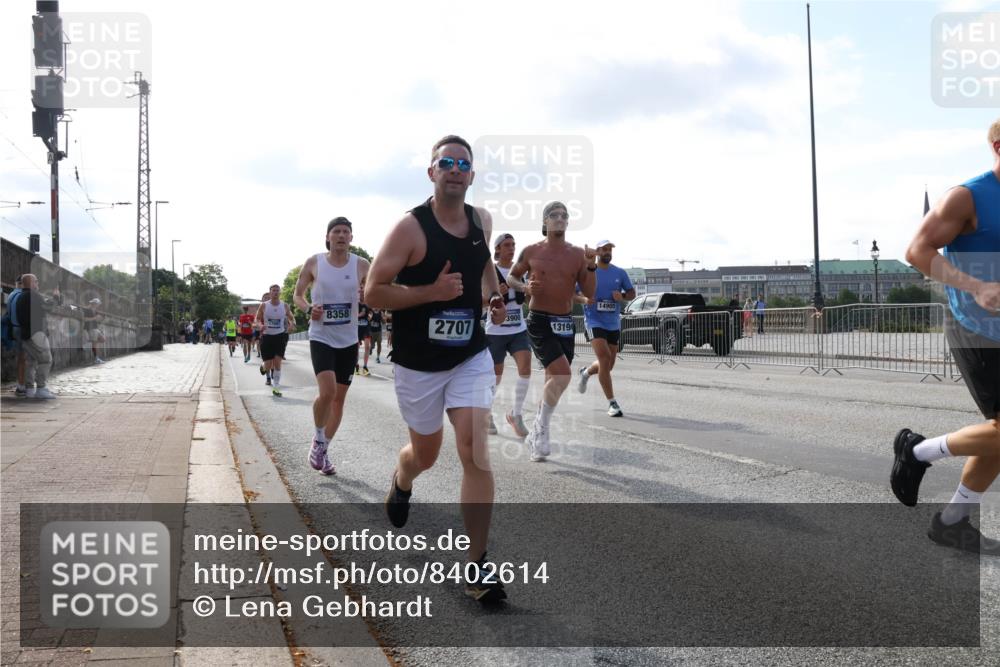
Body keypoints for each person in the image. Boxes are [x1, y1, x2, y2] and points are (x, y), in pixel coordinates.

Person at [365, 134, 507, 602]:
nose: (454, 169)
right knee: (424, 454)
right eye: (445, 162)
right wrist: (431, 293)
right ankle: (402, 480)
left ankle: (477, 567)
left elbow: (484, 263)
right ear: (432, 173)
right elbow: (373, 292)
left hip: (469, 355)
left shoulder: (481, 220)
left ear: (471, 174)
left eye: (462, 163)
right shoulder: (410, 229)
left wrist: (493, 294)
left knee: (475, 452)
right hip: (420, 365)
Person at [891, 118, 1000, 555]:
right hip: (977, 328)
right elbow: (917, 251)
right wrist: (978, 286)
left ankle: (953, 521)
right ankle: (917, 452)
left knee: (998, 434)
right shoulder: (967, 196)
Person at [507, 201, 597, 461]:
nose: (559, 219)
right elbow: (512, 277)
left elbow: (589, 292)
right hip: (540, 320)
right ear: (544, 222)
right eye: (553, 215)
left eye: (564, 216)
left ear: (568, 222)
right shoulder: (532, 250)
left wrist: (591, 266)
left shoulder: (578, 254)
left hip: (565, 322)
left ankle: (537, 432)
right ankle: (542, 433)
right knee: (562, 375)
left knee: (553, 381)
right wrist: (524, 288)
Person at [295, 216, 368, 476]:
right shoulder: (315, 262)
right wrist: (307, 308)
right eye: (335, 231)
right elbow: (298, 294)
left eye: (345, 232)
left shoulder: (362, 264)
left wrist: (366, 295)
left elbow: (374, 292)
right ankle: (317, 437)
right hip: (321, 336)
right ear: (328, 237)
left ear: (351, 237)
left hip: (348, 340)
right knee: (326, 392)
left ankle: (322, 449)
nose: (340, 235)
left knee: (338, 401)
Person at [576, 240, 635, 417]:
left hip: (612, 322)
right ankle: (612, 403)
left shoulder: (619, 272)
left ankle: (586, 372)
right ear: (598, 251)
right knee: (604, 357)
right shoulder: (588, 271)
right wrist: (585, 300)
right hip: (594, 320)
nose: (608, 252)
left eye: (610, 249)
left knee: (608, 365)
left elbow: (631, 293)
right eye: (604, 249)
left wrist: (622, 296)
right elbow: (573, 294)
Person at [484, 233, 532, 438]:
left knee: (526, 367)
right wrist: (495, 294)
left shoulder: (520, 270)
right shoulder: (490, 272)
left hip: (518, 329)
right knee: (496, 375)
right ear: (497, 249)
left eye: (513, 244)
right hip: (496, 331)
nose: (511, 248)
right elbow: (481, 300)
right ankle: (486, 413)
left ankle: (516, 414)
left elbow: (528, 300)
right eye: (506, 245)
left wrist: (530, 291)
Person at [16, 274, 61, 399]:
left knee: (31, 362)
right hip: (37, 334)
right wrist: (56, 297)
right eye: (36, 281)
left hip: (26, 335)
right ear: (31, 283)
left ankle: (29, 389)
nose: (38, 284)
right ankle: (41, 388)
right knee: (46, 360)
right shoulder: (33, 295)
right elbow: (49, 307)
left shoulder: (21, 296)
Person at [256, 284, 296, 397]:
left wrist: (292, 324)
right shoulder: (264, 305)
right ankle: (263, 367)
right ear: (270, 293)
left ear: (280, 292)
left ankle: (276, 387)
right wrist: (260, 325)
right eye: (273, 291)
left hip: (280, 337)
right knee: (268, 365)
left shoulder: (285, 306)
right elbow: (257, 318)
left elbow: (291, 317)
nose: (275, 292)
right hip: (267, 337)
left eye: (277, 291)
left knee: (278, 362)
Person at [6, 276, 28, 396]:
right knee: (24, 359)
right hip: (21, 329)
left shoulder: (11, 295)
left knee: (20, 358)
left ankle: (21, 384)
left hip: (14, 328)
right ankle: (22, 385)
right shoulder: (22, 296)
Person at [356, 301, 372, 376]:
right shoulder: (355, 303)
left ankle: (365, 367)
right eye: (361, 288)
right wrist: (359, 315)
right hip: (357, 328)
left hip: (366, 327)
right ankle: (356, 365)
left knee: (367, 347)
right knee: (357, 347)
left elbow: (371, 313)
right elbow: (351, 316)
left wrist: (370, 316)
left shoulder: (368, 304)